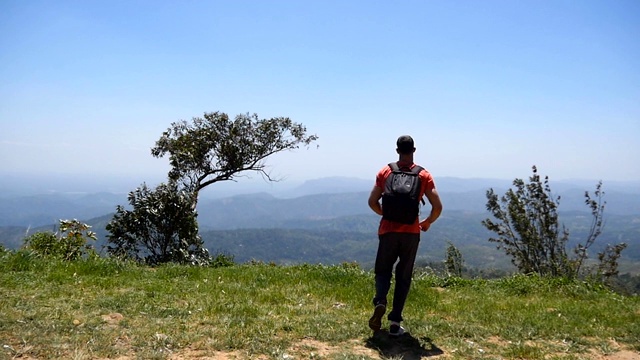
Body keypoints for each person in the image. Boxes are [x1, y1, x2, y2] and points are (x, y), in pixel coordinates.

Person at [367, 135, 443, 336]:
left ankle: (381, 301)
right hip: (410, 232)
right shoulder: (423, 175)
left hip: (388, 231)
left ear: (397, 150)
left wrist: (387, 214)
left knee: (383, 271)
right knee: (403, 276)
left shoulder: (385, 172)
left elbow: (372, 202)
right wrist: (426, 222)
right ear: (414, 150)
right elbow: (437, 206)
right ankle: (394, 323)